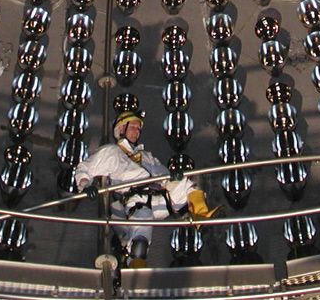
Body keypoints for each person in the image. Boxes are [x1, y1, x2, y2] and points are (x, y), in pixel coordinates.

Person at [74, 110, 218, 268]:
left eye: (138, 128)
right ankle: (136, 267)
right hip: (135, 200)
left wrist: (174, 178)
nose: (137, 131)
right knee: (141, 237)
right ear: (121, 129)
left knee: (187, 186)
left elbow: (164, 177)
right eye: (133, 127)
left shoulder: (146, 156)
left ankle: (202, 217)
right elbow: (85, 168)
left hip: (158, 197)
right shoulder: (112, 152)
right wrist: (85, 184)